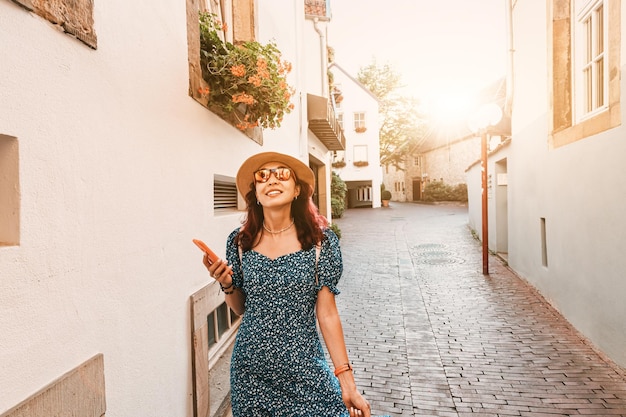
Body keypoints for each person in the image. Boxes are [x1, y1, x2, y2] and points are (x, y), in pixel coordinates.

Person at [203, 152, 373, 417]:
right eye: (262, 176)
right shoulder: (239, 242)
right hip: (250, 373)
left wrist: (347, 382)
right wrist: (226, 283)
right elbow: (240, 309)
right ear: (256, 194)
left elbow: (327, 314)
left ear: (297, 191)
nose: (271, 180)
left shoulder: (321, 243)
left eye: (282, 174)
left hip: (305, 368)